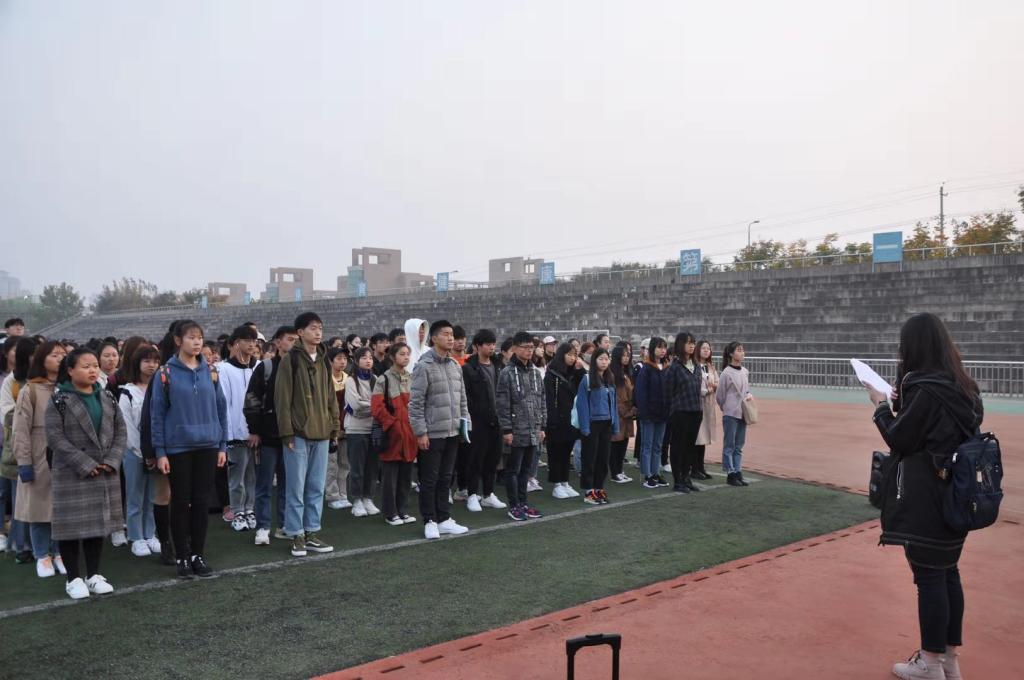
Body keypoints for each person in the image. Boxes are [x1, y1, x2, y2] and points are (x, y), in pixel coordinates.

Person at [865, 313, 981, 680]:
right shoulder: (963, 387)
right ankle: (948, 660)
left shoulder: (925, 390)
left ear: (913, 347)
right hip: (957, 494)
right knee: (948, 572)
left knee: (929, 577)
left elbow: (901, 438)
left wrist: (880, 406)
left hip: (926, 497)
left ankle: (930, 664)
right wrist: (903, 403)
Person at [46, 348, 127, 599]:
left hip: (104, 471)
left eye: (94, 366)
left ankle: (93, 575)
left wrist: (111, 460)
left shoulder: (107, 396)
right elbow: (55, 437)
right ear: (70, 370)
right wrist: (85, 463)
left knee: (98, 525)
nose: (92, 370)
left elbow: (120, 431)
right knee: (70, 528)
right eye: (85, 366)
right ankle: (73, 578)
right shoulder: (59, 400)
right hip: (73, 473)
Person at [150, 321, 228, 579]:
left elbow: (221, 409)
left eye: (200, 338)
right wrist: (160, 451)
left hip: (208, 445)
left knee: (202, 502)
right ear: (178, 340)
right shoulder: (165, 373)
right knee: (180, 502)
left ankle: (197, 554)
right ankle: (182, 555)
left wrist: (222, 445)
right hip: (178, 447)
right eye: (191, 337)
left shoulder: (211, 372)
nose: (196, 342)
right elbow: (157, 415)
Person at [275, 312, 339, 558]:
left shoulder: (324, 360)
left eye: (320, 327)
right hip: (298, 434)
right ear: (300, 332)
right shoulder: (290, 359)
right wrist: (287, 433)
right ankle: (296, 534)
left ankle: (311, 531)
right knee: (296, 487)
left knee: (316, 487)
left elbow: (331, 397)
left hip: (322, 432)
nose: (318, 332)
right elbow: (282, 400)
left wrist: (334, 427)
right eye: (313, 328)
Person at [408, 320, 470, 539]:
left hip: (452, 431)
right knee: (429, 479)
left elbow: (462, 399)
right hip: (432, 433)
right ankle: (430, 520)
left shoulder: (455, 366)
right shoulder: (423, 366)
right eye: (445, 334)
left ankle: (444, 518)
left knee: (446, 478)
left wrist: (464, 425)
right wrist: (421, 432)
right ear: (433, 338)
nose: (450, 338)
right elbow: (415, 403)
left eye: (451, 334)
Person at [13, 340, 67, 577]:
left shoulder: (68, 387)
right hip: (39, 452)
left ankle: (60, 552)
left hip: (65, 454)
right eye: (54, 355)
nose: (60, 358)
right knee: (39, 508)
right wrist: (24, 462)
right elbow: (20, 430)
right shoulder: (31, 390)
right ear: (42, 359)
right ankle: (42, 555)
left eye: (63, 354)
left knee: (61, 508)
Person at [243, 325, 297, 545]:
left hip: (292, 436)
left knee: (288, 484)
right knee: (264, 485)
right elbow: (252, 400)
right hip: (267, 436)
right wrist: (254, 430)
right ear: (277, 342)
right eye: (290, 339)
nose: (294, 343)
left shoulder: (300, 368)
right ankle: (263, 526)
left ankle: (284, 525)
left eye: (296, 339)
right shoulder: (265, 368)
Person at [117, 345, 163, 557]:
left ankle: (150, 534)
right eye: (147, 361)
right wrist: (143, 452)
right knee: (135, 496)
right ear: (137, 364)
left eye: (155, 361)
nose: (152, 365)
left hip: (157, 452)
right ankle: (136, 537)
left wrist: (156, 452)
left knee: (152, 496)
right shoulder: (127, 392)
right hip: (134, 452)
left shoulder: (161, 388)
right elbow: (127, 427)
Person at [496, 331, 547, 521]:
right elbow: (502, 404)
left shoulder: (535, 372)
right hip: (516, 430)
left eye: (531, 347)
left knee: (526, 470)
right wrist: (507, 429)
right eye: (525, 347)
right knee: (513, 470)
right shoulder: (507, 373)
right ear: (515, 348)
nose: (529, 351)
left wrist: (543, 426)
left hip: (534, 429)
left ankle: (524, 503)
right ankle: (514, 505)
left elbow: (542, 400)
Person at [371, 343, 418, 525]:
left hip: (409, 434)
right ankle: (390, 513)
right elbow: (377, 407)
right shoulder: (384, 379)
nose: (406, 357)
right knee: (390, 477)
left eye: (408, 354)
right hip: (392, 435)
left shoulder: (411, 377)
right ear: (392, 357)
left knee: (406, 476)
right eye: (402, 354)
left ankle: (402, 510)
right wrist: (393, 424)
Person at [219, 325, 260, 533]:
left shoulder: (258, 366)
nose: (252, 344)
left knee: (252, 475)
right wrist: (229, 435)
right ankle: (237, 511)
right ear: (236, 343)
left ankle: (250, 509)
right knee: (237, 475)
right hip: (236, 433)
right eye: (247, 340)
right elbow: (225, 403)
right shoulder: (224, 369)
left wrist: (257, 430)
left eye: (254, 340)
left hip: (256, 433)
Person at [461, 329, 507, 512]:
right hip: (478, 420)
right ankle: (472, 494)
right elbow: (465, 396)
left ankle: (488, 494)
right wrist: (473, 415)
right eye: (488, 344)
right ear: (477, 346)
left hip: (497, 419)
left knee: (493, 458)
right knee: (475, 458)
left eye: (493, 344)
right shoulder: (468, 368)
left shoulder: (498, 365)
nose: (492, 347)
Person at [575, 348, 618, 505]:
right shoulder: (587, 379)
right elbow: (582, 405)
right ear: (594, 361)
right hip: (592, 424)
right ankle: (589, 491)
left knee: (603, 458)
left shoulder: (610, 379)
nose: (604, 362)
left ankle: (598, 488)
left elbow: (614, 404)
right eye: (601, 359)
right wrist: (585, 427)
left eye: (606, 359)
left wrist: (615, 425)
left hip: (606, 424)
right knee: (589, 458)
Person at [543, 343, 583, 499]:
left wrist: (580, 370)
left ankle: (565, 482)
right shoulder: (551, 375)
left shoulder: (572, 373)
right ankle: (556, 484)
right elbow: (548, 400)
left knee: (566, 453)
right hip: (556, 421)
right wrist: (551, 421)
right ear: (562, 355)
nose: (573, 358)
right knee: (555, 454)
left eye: (575, 355)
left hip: (571, 420)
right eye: (569, 355)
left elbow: (583, 386)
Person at [665, 332, 704, 494]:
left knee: (690, 447)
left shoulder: (696, 365)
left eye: (693, 342)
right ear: (680, 345)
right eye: (688, 342)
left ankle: (686, 477)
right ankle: (678, 480)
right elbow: (668, 391)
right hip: (680, 412)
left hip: (696, 411)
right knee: (678, 446)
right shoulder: (674, 367)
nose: (692, 345)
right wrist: (672, 411)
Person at [345, 347, 379, 518]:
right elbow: (355, 405)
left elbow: (380, 403)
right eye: (364, 357)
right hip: (355, 429)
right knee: (357, 467)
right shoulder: (351, 380)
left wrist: (367, 406)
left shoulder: (376, 379)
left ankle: (368, 498)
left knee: (371, 467)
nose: (368, 360)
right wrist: (372, 407)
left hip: (373, 428)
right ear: (356, 360)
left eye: (370, 357)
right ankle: (357, 500)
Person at [634, 337, 669, 489]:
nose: (663, 350)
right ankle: (646, 475)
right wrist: (644, 413)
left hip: (662, 413)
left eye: (664, 347)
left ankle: (655, 473)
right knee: (647, 445)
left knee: (658, 445)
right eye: (660, 347)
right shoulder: (646, 368)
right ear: (653, 349)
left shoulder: (666, 368)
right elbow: (640, 393)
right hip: (648, 414)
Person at [716, 341, 752, 487]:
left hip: (742, 412)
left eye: (742, 350)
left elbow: (747, 390)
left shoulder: (745, 371)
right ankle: (730, 473)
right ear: (731, 354)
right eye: (739, 350)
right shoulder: (726, 373)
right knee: (729, 444)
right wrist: (726, 407)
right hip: (730, 413)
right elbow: (720, 395)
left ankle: (738, 471)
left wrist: (749, 396)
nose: (742, 353)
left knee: (739, 445)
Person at [325, 347, 352, 511]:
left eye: (345, 359)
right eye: (339, 358)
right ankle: (332, 495)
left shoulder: (349, 379)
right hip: (330, 427)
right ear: (330, 361)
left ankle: (343, 493)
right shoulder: (325, 379)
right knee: (331, 464)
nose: (342, 362)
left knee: (345, 462)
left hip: (346, 425)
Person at [608, 345, 635, 484]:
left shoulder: (626, 372)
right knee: (616, 444)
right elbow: (616, 398)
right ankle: (615, 472)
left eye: (628, 355)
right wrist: (626, 411)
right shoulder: (612, 373)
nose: (626, 358)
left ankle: (619, 470)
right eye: (623, 355)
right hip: (619, 414)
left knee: (623, 442)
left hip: (627, 413)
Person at [693, 340, 718, 480]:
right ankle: (694, 468)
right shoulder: (694, 366)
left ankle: (700, 467)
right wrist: (707, 390)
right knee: (698, 437)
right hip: (698, 404)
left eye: (708, 348)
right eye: (703, 348)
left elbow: (717, 381)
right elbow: (696, 386)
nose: (706, 350)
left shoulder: (710, 367)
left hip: (708, 406)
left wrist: (714, 387)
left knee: (704, 439)